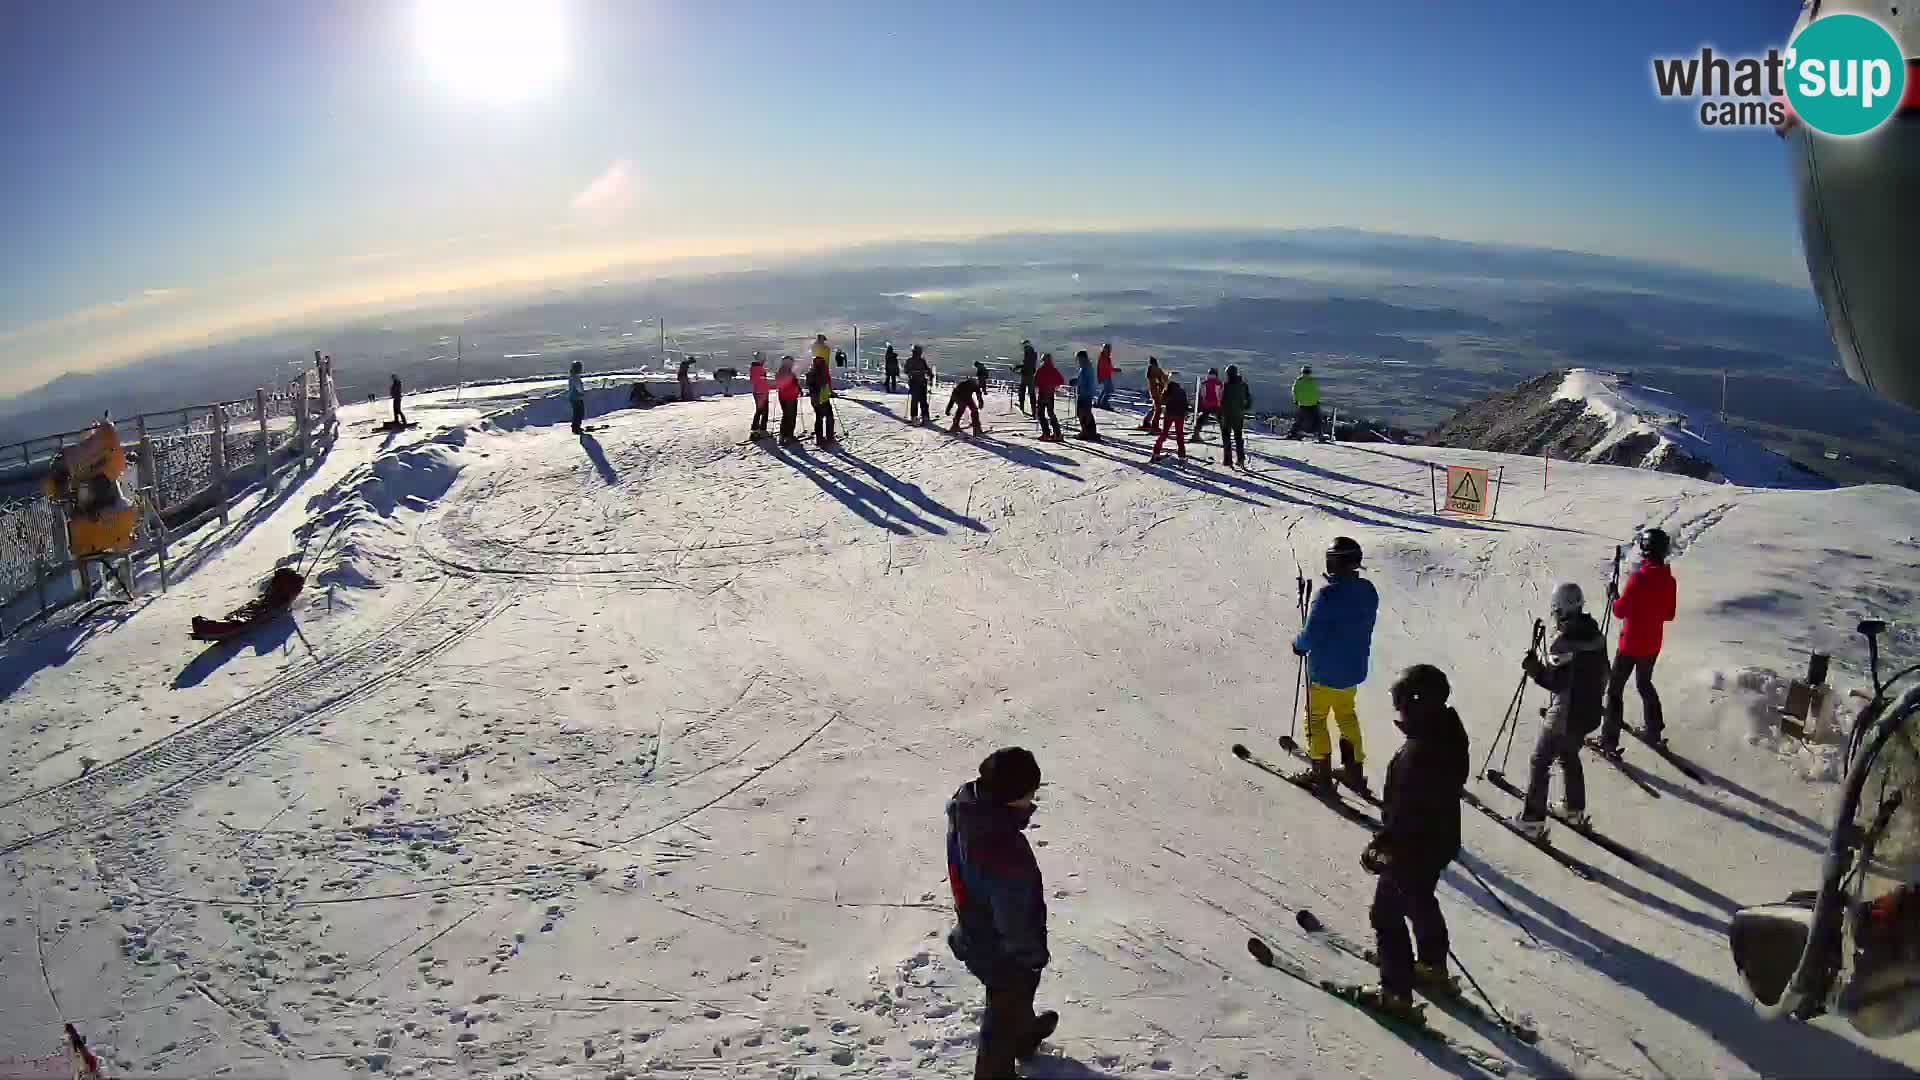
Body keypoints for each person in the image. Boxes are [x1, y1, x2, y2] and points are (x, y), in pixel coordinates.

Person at [1360, 664, 1468, 1021]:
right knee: (1420, 898)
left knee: (1386, 914)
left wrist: (1382, 846)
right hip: (1439, 842)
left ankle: (1396, 994)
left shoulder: (1417, 755)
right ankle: (1433, 964)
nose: (1399, 713)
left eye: (1403, 705)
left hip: (1413, 848)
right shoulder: (1449, 733)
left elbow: (1405, 814)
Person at [947, 747, 1058, 1080]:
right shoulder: (1004, 852)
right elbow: (1015, 915)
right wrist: (1030, 955)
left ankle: (1022, 1037)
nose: (1031, 801)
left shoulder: (968, 807)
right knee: (1007, 1000)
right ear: (1010, 799)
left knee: (1017, 996)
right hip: (1000, 947)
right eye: (1028, 795)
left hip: (976, 924)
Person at [1513, 583, 1608, 839]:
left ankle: (1532, 821)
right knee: (1568, 754)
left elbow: (1556, 682)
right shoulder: (1595, 635)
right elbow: (1604, 673)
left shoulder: (1564, 643)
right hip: (1589, 713)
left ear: (1560, 610)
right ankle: (1573, 809)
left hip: (1566, 715)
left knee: (1540, 760)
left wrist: (1534, 670)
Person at [1290, 537, 1379, 795]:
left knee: (1315, 720)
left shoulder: (1327, 595)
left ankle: (1321, 772)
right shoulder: (1368, 590)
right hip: (1353, 669)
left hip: (1324, 672)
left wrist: (1298, 644)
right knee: (1346, 715)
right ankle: (1354, 771)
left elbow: (1312, 632)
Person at [1596, 527, 1677, 754]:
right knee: (1644, 684)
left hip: (1630, 645)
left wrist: (1614, 596)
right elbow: (1669, 615)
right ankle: (1654, 730)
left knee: (1615, 690)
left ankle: (1609, 741)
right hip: (1652, 645)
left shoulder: (1638, 579)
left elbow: (1620, 611)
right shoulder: (1669, 581)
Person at [1150, 372, 1189, 463]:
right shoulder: (1182, 391)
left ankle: (1156, 452)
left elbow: (1162, 401)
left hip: (1169, 414)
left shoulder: (1167, 390)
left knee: (1164, 433)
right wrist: (1186, 412)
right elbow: (1185, 404)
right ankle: (1182, 456)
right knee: (1180, 435)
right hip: (1179, 415)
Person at [1220, 365, 1251, 468]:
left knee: (1226, 437)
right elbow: (1248, 399)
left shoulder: (1226, 385)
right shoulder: (1243, 385)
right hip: (1238, 415)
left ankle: (1228, 460)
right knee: (1238, 437)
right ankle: (1241, 459)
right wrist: (1244, 408)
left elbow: (1221, 400)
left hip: (1227, 415)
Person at [1032, 353, 1066, 442]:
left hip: (1042, 394)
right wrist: (1053, 386)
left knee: (1040, 414)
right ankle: (1057, 433)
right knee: (1051, 414)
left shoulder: (1040, 370)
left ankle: (1046, 433)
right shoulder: (1054, 370)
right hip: (1050, 394)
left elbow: (1035, 382)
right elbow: (1061, 380)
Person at [806, 354, 837, 448]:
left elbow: (812, 386)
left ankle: (820, 438)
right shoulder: (821, 374)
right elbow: (825, 385)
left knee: (819, 418)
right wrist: (829, 392)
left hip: (816, 399)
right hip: (822, 399)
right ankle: (829, 436)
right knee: (829, 416)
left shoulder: (811, 373)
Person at [1289, 365, 1323, 441]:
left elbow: (1294, 391)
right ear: (1310, 372)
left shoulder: (1298, 380)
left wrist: (1296, 400)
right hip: (1313, 404)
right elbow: (1316, 392)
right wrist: (1317, 401)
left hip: (1302, 404)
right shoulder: (1312, 381)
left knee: (1299, 419)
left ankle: (1292, 433)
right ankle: (1319, 434)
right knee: (1317, 419)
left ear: (1302, 372)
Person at [1073, 351, 1101, 441]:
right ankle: (1090, 432)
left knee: (1082, 413)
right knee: (1086, 413)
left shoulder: (1085, 368)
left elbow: (1083, 381)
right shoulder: (1087, 367)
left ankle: (1086, 432)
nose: (1078, 361)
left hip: (1084, 394)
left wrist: (1076, 382)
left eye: (1079, 359)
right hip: (1086, 394)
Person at [775, 356, 803, 446]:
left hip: (783, 397)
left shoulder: (780, 372)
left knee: (786, 416)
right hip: (790, 397)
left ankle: (783, 435)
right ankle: (788, 436)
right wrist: (798, 389)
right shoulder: (788, 373)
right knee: (791, 416)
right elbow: (792, 384)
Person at [1193, 368, 1223, 442]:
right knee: (1222, 420)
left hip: (1206, 405)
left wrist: (1200, 405)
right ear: (1216, 375)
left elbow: (1200, 395)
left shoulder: (1203, 383)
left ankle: (1196, 434)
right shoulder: (1219, 383)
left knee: (1201, 419)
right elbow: (1221, 395)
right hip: (1216, 405)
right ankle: (1225, 437)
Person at [906, 345, 933, 425]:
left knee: (915, 401)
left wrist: (911, 373)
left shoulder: (910, 360)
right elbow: (927, 370)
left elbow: (906, 370)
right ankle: (925, 417)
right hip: (921, 383)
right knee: (923, 400)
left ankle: (914, 417)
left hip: (914, 383)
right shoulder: (922, 361)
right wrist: (930, 375)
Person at [748, 353, 772, 439]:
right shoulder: (756, 368)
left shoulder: (759, 368)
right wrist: (762, 379)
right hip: (760, 392)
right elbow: (754, 380)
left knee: (763, 411)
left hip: (762, 391)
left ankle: (760, 429)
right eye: (764, 358)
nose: (765, 360)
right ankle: (756, 430)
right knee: (761, 411)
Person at [1143, 357, 1168, 431]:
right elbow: (1163, 379)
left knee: (1154, 408)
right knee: (1158, 409)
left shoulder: (1149, 370)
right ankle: (1155, 425)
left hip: (1152, 391)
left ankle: (1146, 421)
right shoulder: (1156, 370)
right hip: (1157, 392)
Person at [1018, 341, 1039, 413]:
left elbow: (1025, 364)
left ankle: (1021, 407)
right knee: (1032, 393)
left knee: (1021, 391)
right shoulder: (1034, 354)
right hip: (1031, 375)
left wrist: (1017, 368)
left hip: (1025, 375)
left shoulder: (1027, 352)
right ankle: (1033, 410)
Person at [1096, 344, 1118, 409]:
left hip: (1106, 376)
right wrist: (1114, 369)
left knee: (1105, 390)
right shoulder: (1103, 357)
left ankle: (1099, 402)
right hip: (1104, 376)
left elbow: (1107, 367)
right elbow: (1105, 367)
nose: (1109, 350)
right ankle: (1103, 403)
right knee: (1109, 390)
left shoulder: (1106, 357)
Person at [567, 360, 587, 435]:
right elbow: (578, 387)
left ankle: (575, 427)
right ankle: (576, 428)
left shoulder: (572, 376)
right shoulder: (575, 377)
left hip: (573, 397)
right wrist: (581, 393)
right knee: (579, 413)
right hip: (576, 398)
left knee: (577, 413)